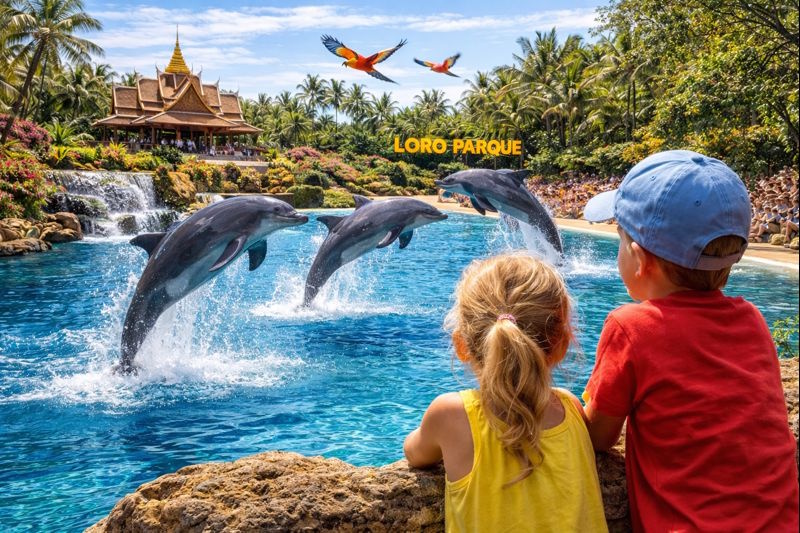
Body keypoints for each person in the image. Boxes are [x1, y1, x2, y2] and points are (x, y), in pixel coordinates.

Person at [581, 150, 799, 532]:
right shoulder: (752, 319)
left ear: (638, 258)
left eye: (619, 238)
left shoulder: (630, 327)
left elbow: (599, 435)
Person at [403, 253, 608, 532]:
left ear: (461, 345)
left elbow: (414, 453)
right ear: (561, 345)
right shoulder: (571, 410)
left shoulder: (450, 415)